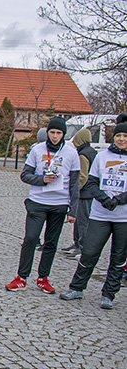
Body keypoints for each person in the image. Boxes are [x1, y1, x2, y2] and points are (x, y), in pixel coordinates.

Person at [60, 114, 127, 310]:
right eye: (118, 135)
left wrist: (119, 200)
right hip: (100, 214)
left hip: (123, 217)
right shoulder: (102, 156)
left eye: (125, 136)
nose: (121, 139)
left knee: (118, 257)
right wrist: (103, 198)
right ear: (113, 137)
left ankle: (108, 294)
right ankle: (77, 288)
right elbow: (91, 182)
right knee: (89, 252)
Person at [6, 117, 80, 294]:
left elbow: (75, 184)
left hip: (59, 204)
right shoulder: (37, 150)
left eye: (58, 133)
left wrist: (73, 210)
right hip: (37, 202)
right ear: (47, 133)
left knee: (51, 242)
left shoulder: (71, 153)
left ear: (63, 134)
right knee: (31, 238)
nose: (55, 136)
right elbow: (25, 175)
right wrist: (42, 179)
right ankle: (21, 277)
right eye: (52, 132)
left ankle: (43, 278)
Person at [60, 128, 97, 259]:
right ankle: (77, 244)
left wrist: (73, 191)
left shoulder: (83, 155)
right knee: (80, 221)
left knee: (82, 221)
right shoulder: (92, 152)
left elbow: (82, 176)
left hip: (85, 194)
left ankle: (81, 247)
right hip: (88, 193)